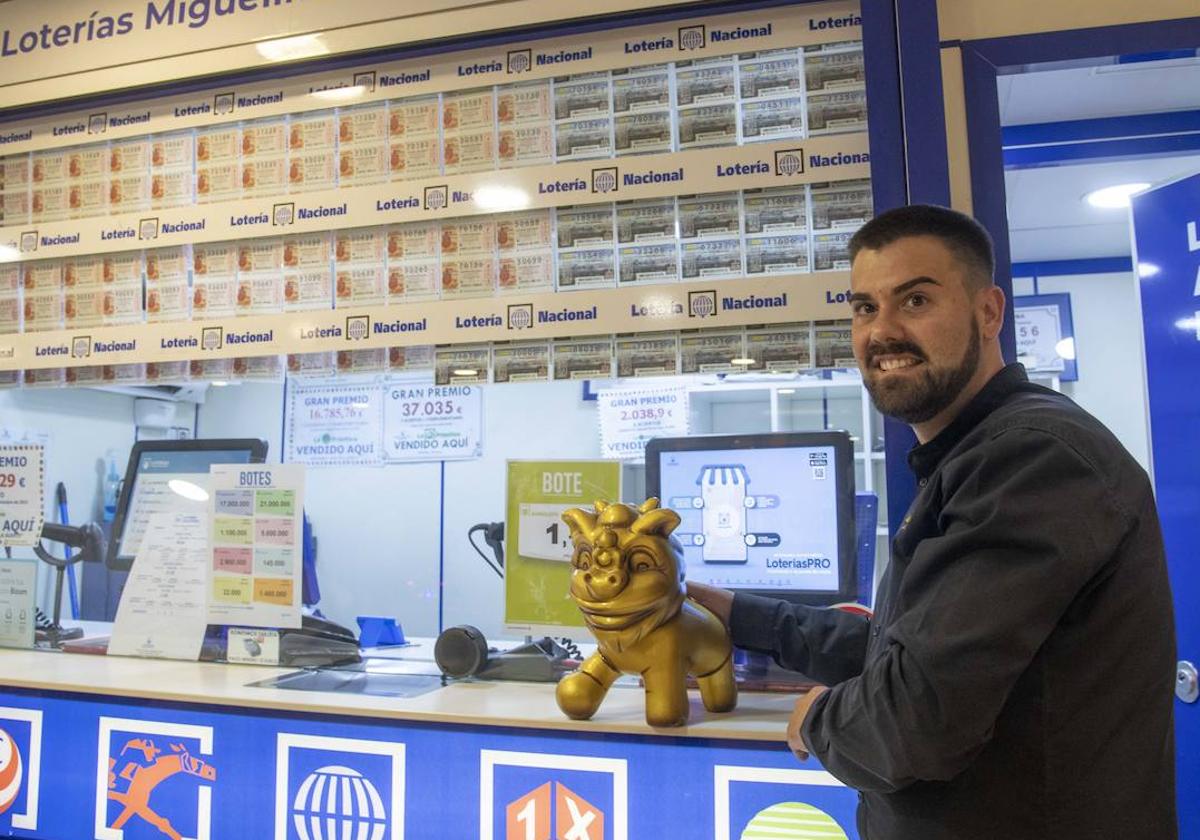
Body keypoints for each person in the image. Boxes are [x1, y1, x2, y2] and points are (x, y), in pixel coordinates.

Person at [688, 204, 1177, 840]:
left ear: (989, 312)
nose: (882, 332)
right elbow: (903, 651)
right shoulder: (972, 457)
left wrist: (818, 718)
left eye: (914, 301)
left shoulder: (1031, 456)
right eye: (865, 308)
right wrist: (736, 613)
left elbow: (917, 717)